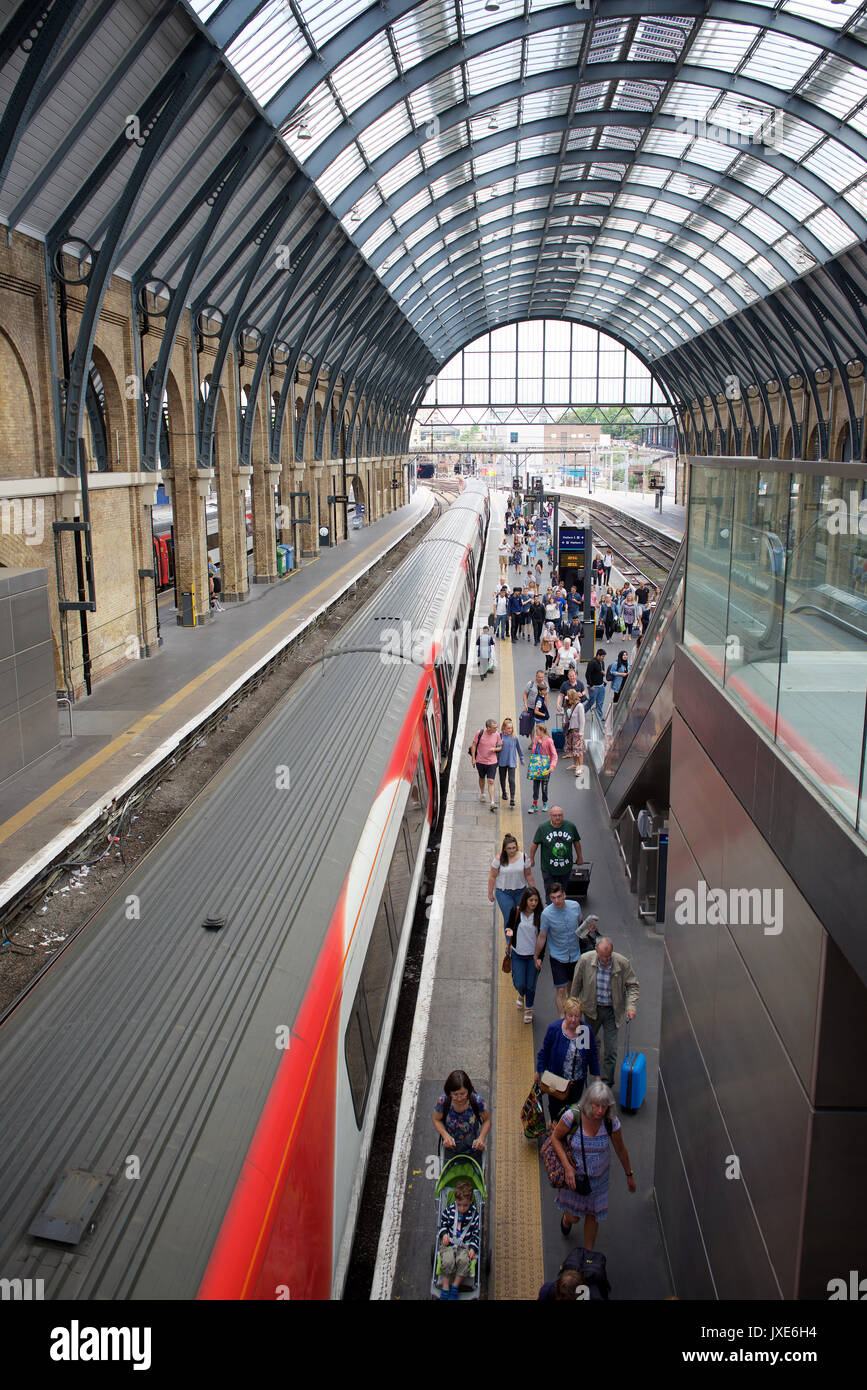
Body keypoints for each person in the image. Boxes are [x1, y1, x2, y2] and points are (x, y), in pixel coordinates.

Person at [552, 1081, 636, 1247]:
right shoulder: (572, 1116)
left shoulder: (610, 1121)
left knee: (593, 1215)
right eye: (596, 1106)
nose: (599, 1111)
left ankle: (588, 1256)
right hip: (574, 1179)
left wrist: (629, 1174)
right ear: (588, 1102)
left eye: (604, 1107)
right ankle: (566, 1220)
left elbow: (620, 1149)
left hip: (598, 1181)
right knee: (574, 1217)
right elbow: (555, 1138)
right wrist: (567, 1168)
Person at [571, 938, 640, 1089]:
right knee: (584, 1044)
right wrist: (573, 1007)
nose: (605, 960)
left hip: (611, 1011)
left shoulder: (622, 963)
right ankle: (581, 1076)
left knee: (611, 1050)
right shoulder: (585, 960)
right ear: (596, 951)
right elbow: (576, 984)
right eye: (603, 956)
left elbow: (632, 986)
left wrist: (631, 1007)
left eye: (608, 957)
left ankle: (606, 1085)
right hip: (590, 1009)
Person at [535, 995, 600, 1120]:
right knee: (555, 1109)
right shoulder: (555, 1029)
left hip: (577, 1082)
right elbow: (545, 1052)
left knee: (572, 1112)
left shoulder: (585, 1031)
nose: (574, 1020)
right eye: (570, 1016)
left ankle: (566, 1135)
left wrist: (596, 1076)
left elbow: (592, 1054)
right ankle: (555, 1129)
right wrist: (539, 1071)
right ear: (565, 1015)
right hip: (556, 1080)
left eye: (577, 1016)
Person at [534, 885, 584, 1016]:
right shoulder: (546, 914)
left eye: (559, 897)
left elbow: (581, 923)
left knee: (572, 989)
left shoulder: (575, 906)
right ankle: (563, 1018)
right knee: (560, 990)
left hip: (575, 954)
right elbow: (542, 936)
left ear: (564, 895)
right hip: (558, 957)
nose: (556, 900)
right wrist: (536, 956)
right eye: (553, 898)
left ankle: (571, 1013)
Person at [436, 1178, 480, 1299]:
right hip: (449, 1243)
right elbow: (443, 1223)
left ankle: (455, 1286)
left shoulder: (474, 1215)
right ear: (456, 1201)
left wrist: (472, 1248)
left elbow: (476, 1234)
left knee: (465, 1262)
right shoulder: (450, 1210)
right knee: (448, 1260)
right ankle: (445, 1287)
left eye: (465, 1205)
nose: (462, 1208)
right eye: (459, 1205)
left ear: (471, 1201)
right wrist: (444, 1234)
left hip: (464, 1246)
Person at [506, 887, 543, 1021]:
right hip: (517, 954)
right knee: (520, 983)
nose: (534, 903)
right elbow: (509, 927)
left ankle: (529, 1008)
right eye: (531, 900)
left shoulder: (540, 916)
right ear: (525, 900)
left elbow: (542, 937)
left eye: (536, 900)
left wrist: (539, 958)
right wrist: (509, 942)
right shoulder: (516, 912)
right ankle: (521, 994)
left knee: (531, 985)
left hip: (533, 956)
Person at [529, 804, 583, 898]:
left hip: (565, 868)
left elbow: (576, 842)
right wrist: (531, 858)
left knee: (562, 892)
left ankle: (560, 906)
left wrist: (580, 857)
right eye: (555, 815)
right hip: (549, 869)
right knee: (550, 894)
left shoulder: (570, 826)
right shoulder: (543, 828)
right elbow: (535, 844)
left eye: (560, 815)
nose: (558, 817)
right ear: (550, 816)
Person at [488, 832, 534, 935]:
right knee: (509, 918)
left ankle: (519, 939)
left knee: (521, 917)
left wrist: (534, 889)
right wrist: (490, 893)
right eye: (509, 848)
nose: (512, 850)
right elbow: (492, 877)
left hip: (521, 892)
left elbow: (528, 875)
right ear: (504, 849)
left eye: (514, 848)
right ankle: (510, 943)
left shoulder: (524, 857)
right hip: (504, 893)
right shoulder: (498, 860)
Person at [433, 1070, 491, 1151]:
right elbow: (436, 1120)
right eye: (455, 1095)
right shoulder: (443, 1102)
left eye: (463, 1094)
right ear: (449, 1092)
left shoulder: (477, 1101)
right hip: (450, 1147)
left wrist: (481, 1138)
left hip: (474, 1148)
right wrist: (445, 1136)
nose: (459, 1099)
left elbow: (487, 1120)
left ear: (468, 1090)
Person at [470, 718, 501, 810]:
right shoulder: (479, 733)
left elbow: (500, 746)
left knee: (491, 781)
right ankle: (483, 793)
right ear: (488, 728)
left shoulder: (497, 735)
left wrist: (495, 749)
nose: (496, 729)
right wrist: (473, 758)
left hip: (492, 762)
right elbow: (474, 745)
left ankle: (492, 802)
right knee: (482, 778)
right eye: (494, 728)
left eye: (496, 727)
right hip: (480, 761)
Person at [527, 722, 557, 812]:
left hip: (546, 767)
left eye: (537, 730)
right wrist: (537, 745)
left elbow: (554, 754)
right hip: (537, 766)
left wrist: (552, 766)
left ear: (542, 730)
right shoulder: (536, 739)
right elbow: (534, 751)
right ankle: (534, 804)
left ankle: (544, 803)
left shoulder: (549, 741)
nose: (536, 732)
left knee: (544, 786)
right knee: (535, 786)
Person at [496, 717, 524, 806]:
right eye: (508, 728)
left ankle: (512, 798)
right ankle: (504, 792)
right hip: (502, 762)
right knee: (502, 779)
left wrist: (522, 758)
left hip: (512, 762)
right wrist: (499, 744)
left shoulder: (515, 737)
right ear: (503, 728)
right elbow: (496, 748)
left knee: (511, 780)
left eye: (511, 728)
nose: (510, 730)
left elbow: (519, 749)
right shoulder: (500, 737)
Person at [564, 689, 586, 772]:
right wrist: (566, 706)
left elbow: (582, 720)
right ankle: (575, 764)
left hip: (577, 730)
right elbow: (568, 716)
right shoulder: (572, 705)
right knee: (573, 748)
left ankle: (580, 767)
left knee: (578, 749)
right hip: (571, 730)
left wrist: (581, 733)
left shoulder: (580, 706)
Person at [584, 647, 606, 725]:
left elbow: (601, 671)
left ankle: (599, 716)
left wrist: (603, 673)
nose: (603, 658)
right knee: (592, 701)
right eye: (602, 656)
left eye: (604, 656)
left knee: (600, 702)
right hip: (594, 686)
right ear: (598, 655)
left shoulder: (602, 662)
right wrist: (591, 685)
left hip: (601, 685)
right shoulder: (592, 663)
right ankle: (582, 711)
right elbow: (587, 674)